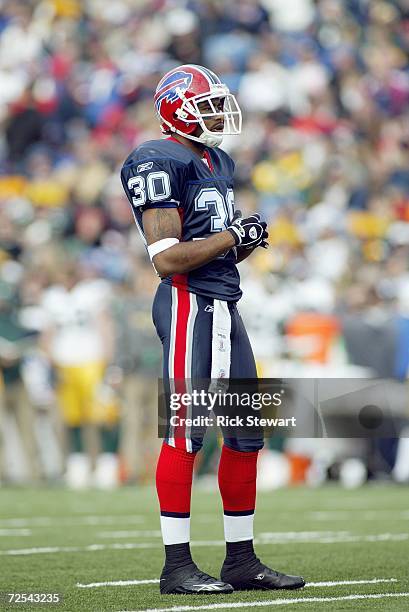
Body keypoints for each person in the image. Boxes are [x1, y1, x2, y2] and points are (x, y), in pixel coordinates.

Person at [121, 64, 305, 595]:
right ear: (176, 109)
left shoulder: (216, 159)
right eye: (208, 105)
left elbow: (214, 240)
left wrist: (241, 240)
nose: (220, 115)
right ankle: (176, 565)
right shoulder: (155, 158)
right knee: (186, 433)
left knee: (247, 436)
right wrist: (231, 236)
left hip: (226, 304)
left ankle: (241, 560)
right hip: (188, 303)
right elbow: (167, 259)